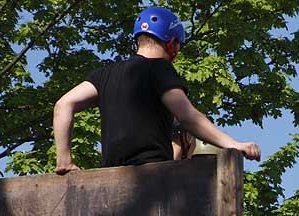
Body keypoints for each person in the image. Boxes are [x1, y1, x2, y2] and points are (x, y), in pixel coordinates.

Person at [52, 6, 261, 174]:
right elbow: (187, 116)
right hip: (151, 179)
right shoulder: (160, 69)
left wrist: (64, 161)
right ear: (173, 44)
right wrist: (233, 144)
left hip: (111, 178)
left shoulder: (104, 74)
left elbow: (63, 105)